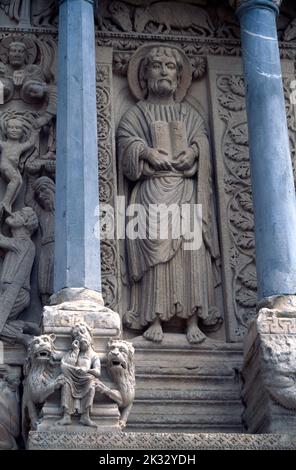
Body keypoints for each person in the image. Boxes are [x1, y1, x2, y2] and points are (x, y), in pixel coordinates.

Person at [117, 45, 221, 344]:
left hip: (185, 190)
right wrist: (147, 152)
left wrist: (193, 152)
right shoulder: (136, 114)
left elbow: (202, 141)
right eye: (156, 65)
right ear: (144, 74)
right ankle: (155, 318)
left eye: (170, 66)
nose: (164, 71)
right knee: (157, 259)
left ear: (179, 76)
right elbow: (126, 144)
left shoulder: (189, 114)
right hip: (151, 193)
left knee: (191, 253)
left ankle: (191, 320)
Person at [0, 207, 40, 345]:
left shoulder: (22, 243)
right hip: (12, 291)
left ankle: (24, 338)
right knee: (3, 322)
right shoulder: (21, 244)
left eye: (20, 214)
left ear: (26, 224)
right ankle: (25, 326)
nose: (15, 213)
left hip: (15, 292)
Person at [57, 323, 101, 428]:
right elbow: (65, 366)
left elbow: (98, 372)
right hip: (72, 378)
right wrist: (75, 351)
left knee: (91, 383)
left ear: (90, 336)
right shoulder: (73, 352)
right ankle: (66, 416)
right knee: (66, 382)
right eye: (77, 335)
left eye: (83, 332)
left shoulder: (94, 355)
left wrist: (87, 370)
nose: (81, 336)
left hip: (85, 378)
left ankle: (85, 416)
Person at [25, 174, 55, 305]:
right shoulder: (43, 214)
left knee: (54, 281)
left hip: (59, 250)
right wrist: (31, 176)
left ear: (53, 188)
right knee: (43, 283)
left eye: (44, 190)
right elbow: (29, 201)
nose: (41, 196)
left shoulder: (65, 211)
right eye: (38, 193)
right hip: (46, 249)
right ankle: (44, 313)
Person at [0, 117, 38, 216]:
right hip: (5, 165)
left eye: (17, 128)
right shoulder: (4, 145)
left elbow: (30, 143)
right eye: (11, 127)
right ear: (6, 131)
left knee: (19, 182)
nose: (14, 130)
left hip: (14, 168)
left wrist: (35, 131)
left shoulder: (20, 146)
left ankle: (8, 203)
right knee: (16, 180)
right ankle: (5, 201)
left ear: (21, 132)